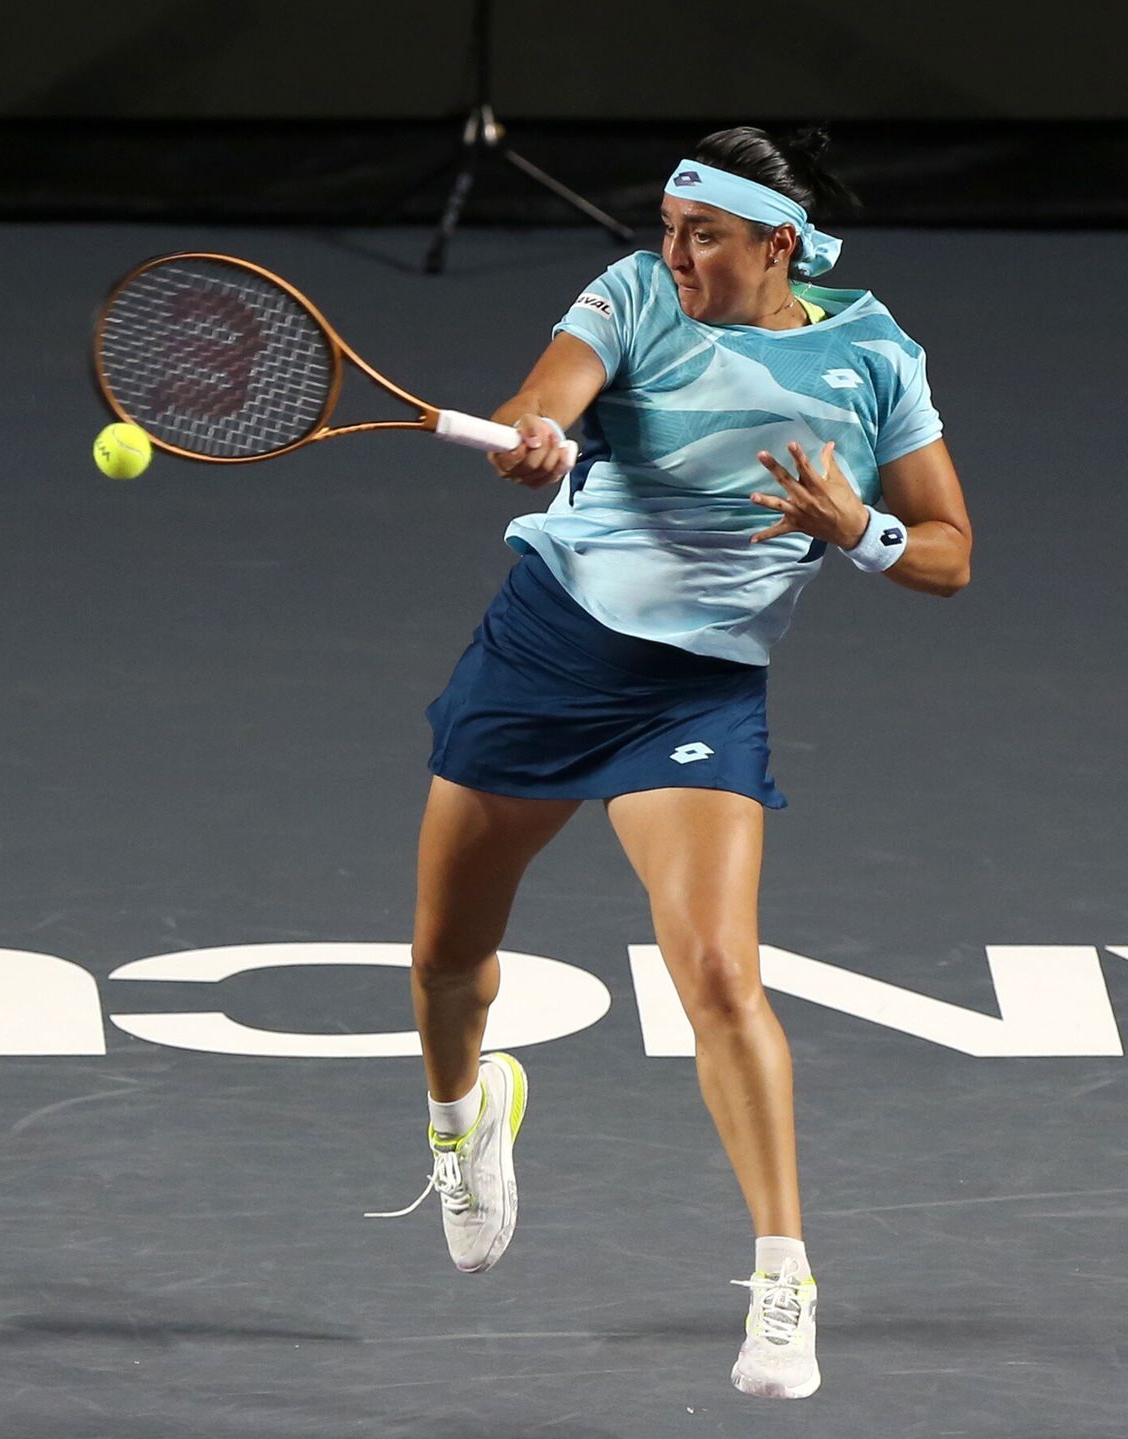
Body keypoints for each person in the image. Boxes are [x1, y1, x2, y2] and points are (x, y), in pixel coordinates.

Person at [383, 124, 972, 1400]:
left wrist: (855, 526)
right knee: (444, 960)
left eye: (701, 233)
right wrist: (539, 431)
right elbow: (553, 387)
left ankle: (783, 1278)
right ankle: (460, 1116)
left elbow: (947, 549)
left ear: (777, 242)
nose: (673, 251)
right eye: (666, 225)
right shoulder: (638, 291)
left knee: (717, 970)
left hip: (696, 693)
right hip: (545, 654)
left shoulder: (876, 353)